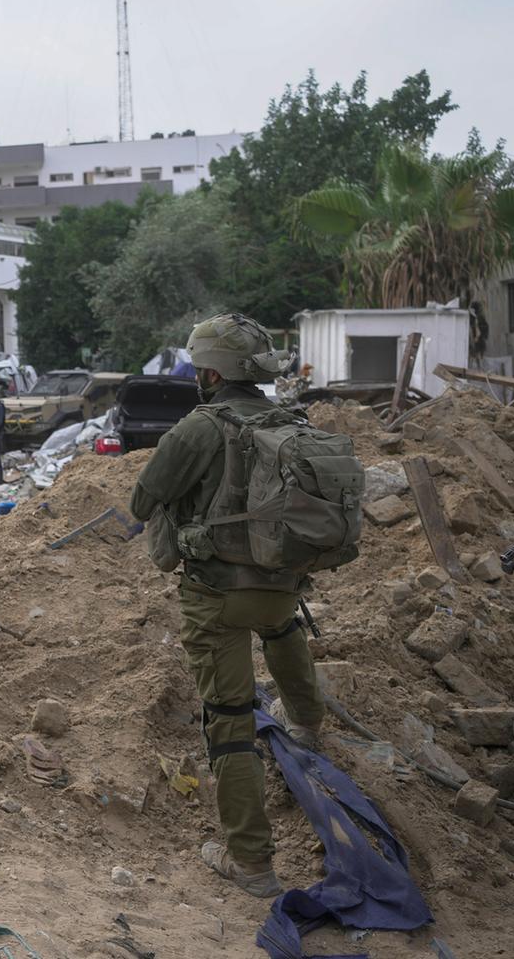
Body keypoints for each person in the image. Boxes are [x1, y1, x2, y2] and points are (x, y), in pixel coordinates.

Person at [127, 312, 327, 900]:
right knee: (283, 627)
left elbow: (143, 502)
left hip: (217, 596)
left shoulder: (198, 428)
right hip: (282, 583)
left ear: (210, 372)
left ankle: (251, 863)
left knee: (231, 721)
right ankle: (309, 724)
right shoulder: (290, 417)